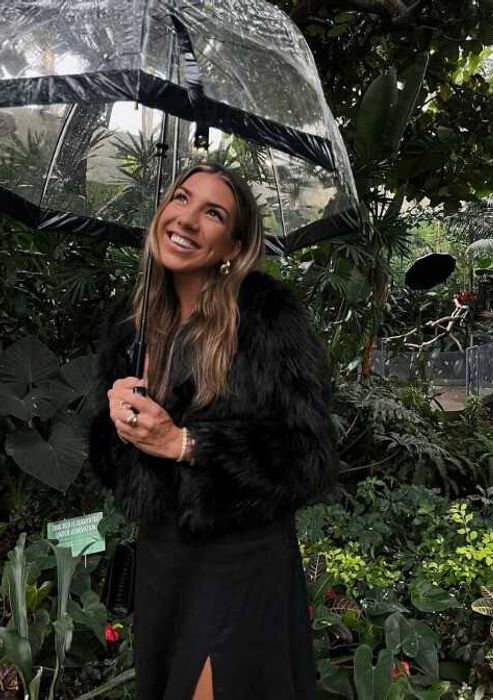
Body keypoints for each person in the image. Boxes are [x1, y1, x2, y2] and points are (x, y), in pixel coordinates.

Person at [88, 163, 336, 700]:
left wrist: (186, 444)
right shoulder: (131, 328)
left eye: (213, 213)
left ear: (233, 246)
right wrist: (118, 424)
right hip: (164, 556)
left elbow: (308, 454)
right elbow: (116, 466)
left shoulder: (267, 321)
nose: (189, 218)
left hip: (239, 559)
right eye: (182, 198)